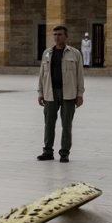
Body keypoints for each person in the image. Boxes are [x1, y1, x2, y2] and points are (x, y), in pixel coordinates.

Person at [37, 25, 85, 163]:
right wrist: (40, 93)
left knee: (66, 124)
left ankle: (64, 153)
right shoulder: (47, 53)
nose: (57, 37)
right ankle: (48, 151)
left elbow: (79, 75)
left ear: (66, 36)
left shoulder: (74, 53)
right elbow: (42, 75)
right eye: (55, 35)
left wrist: (80, 94)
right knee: (49, 123)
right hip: (50, 93)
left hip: (68, 94)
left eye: (60, 34)